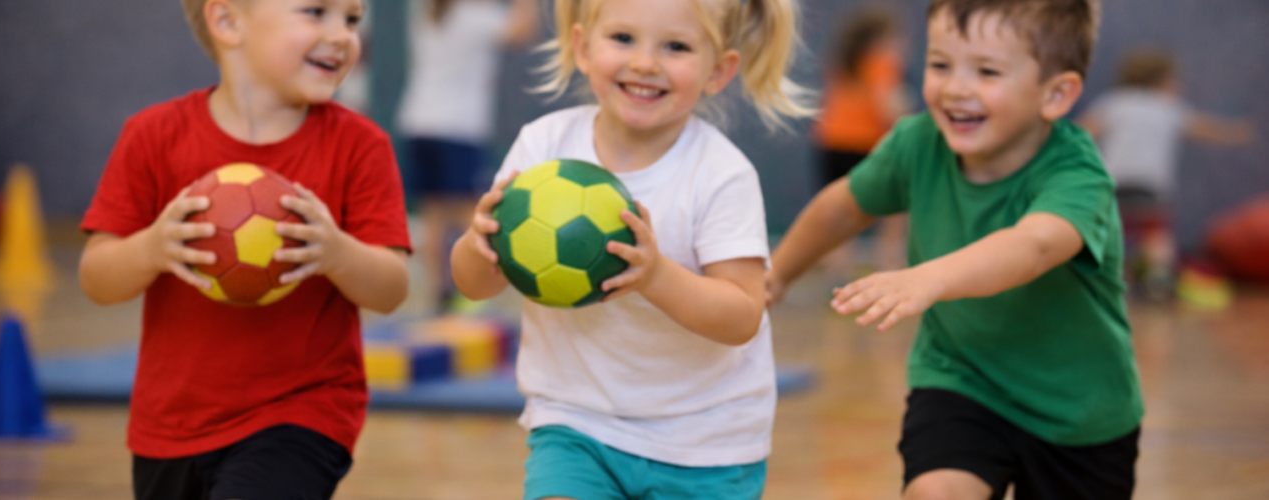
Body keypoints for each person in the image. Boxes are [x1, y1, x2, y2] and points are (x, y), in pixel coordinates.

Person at [767, 1, 1144, 499]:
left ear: (1056, 94)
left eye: (987, 71)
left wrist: (925, 278)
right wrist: (776, 273)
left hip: (1078, 416)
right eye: (940, 64)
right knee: (935, 491)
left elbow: (1031, 247)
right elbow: (844, 206)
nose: (956, 87)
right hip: (961, 381)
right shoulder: (918, 144)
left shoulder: (1077, 175)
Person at [450, 0, 809, 498]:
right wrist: (478, 240)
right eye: (623, 39)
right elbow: (474, 283)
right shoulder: (543, 149)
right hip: (577, 424)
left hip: (704, 442)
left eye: (676, 46)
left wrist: (657, 275)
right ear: (582, 47)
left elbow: (742, 315)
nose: (644, 63)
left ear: (719, 71)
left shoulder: (721, 174)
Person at [77, 0, 411, 498]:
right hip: (170, 427)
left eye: (352, 18)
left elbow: (391, 289)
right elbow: (96, 279)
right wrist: (151, 249)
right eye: (316, 12)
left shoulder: (360, 146)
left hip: (303, 414)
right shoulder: (152, 137)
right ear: (228, 21)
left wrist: (338, 253)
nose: (342, 35)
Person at [395, 0, 539, 312]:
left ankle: (440, 294)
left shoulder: (428, 13)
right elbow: (522, 30)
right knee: (475, 216)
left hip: (419, 123)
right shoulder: (476, 18)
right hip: (457, 128)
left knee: (434, 213)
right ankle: (475, 295)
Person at [1078, 49, 1254, 297]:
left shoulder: (1114, 102)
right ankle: (1157, 279)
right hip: (1151, 184)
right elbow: (1204, 128)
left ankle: (1104, 276)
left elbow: (1084, 131)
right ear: (1162, 81)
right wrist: (1235, 132)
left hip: (1114, 181)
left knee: (1110, 230)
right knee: (1156, 233)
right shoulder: (1168, 107)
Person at [811, 7, 911, 277]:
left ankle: (838, 274)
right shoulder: (881, 60)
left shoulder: (844, 62)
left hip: (831, 142)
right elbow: (887, 104)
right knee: (897, 205)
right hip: (866, 145)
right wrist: (911, 123)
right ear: (881, 38)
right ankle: (890, 265)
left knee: (839, 212)